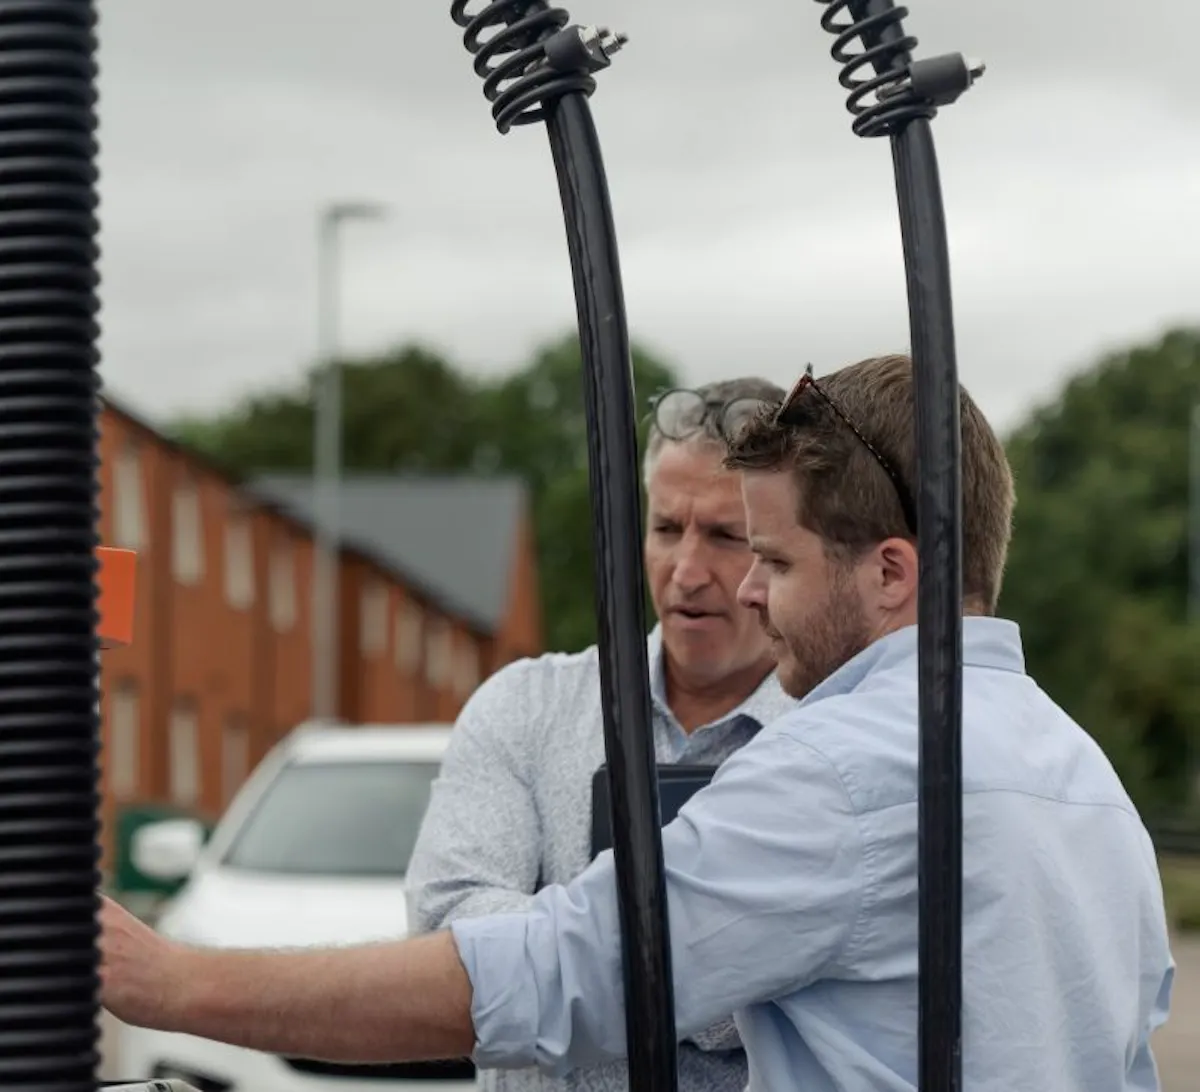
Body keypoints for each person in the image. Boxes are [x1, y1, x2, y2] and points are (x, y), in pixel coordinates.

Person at [99, 353, 1175, 1092]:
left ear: (894, 574)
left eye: (776, 561)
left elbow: (562, 970)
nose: (743, 592)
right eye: (675, 530)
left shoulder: (842, 771)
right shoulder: (1082, 778)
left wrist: (181, 980)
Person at [403, 375, 795, 1092]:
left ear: (780, 544)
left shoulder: (835, 733)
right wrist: (721, 969)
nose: (686, 571)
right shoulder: (526, 708)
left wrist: (554, 973)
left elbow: (851, 977)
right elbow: (447, 933)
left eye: (725, 537)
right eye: (667, 528)